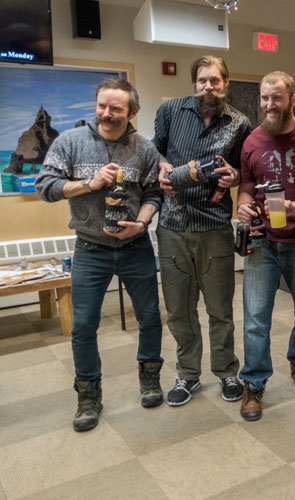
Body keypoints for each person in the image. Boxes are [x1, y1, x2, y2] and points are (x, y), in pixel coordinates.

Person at [36, 78, 164, 432]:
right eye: (102, 106)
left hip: (135, 245)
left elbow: (155, 194)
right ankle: (88, 394)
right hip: (90, 248)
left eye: (116, 109)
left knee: (151, 317)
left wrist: (141, 222)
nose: (107, 114)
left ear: (132, 112)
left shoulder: (144, 148)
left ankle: (150, 377)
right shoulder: (70, 142)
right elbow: (44, 187)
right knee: (83, 326)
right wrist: (87, 185)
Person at [153, 55, 251, 407]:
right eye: (202, 80)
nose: (208, 86)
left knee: (220, 309)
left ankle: (226, 371)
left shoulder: (240, 123)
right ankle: (188, 375)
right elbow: (155, 151)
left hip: (214, 226)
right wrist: (163, 166)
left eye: (215, 80)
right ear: (194, 83)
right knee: (179, 309)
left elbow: (246, 169)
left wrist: (235, 177)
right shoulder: (171, 111)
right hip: (173, 226)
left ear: (226, 83)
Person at [236, 71, 295, 421]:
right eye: (264, 98)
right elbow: (245, 187)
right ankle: (254, 384)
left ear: (292, 99)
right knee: (256, 318)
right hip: (261, 240)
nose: (270, 105)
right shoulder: (252, 142)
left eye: (276, 98)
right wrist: (241, 206)